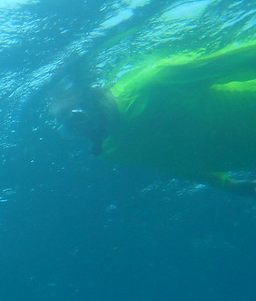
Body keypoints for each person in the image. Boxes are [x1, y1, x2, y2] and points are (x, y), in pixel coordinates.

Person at [54, 41, 256, 195]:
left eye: (75, 118)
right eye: (68, 129)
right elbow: (172, 163)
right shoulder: (112, 151)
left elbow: (230, 62)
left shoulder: (154, 82)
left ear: (91, 97)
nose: (80, 133)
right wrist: (228, 185)